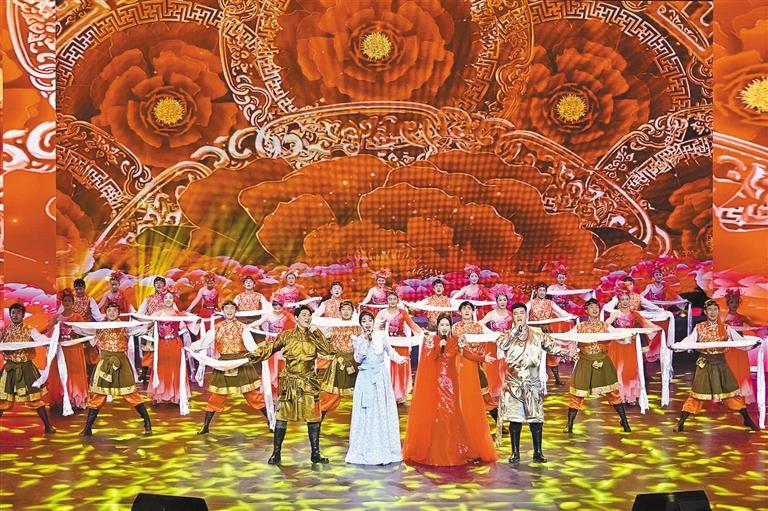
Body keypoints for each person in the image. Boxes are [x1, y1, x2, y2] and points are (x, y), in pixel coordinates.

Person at [402, 313, 498, 466]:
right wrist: (438, 347)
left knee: (452, 412)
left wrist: (483, 358)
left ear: (450, 326)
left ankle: (454, 448)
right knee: (439, 413)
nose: (444, 327)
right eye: (442, 325)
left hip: (452, 383)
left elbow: (468, 354)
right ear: (438, 326)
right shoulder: (432, 340)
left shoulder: (456, 340)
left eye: (447, 325)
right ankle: (437, 448)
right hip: (437, 382)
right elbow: (430, 359)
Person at [249, 306, 335, 465]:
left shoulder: (314, 335)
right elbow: (271, 347)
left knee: (313, 416)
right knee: (282, 417)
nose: (307, 318)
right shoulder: (287, 335)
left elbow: (328, 351)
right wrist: (253, 355)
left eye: (309, 315)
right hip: (290, 380)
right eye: (304, 315)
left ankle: (315, 453)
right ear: (296, 318)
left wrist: (317, 333)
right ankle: (276, 453)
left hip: (309, 380)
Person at [496, 303, 570, 464]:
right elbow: (502, 345)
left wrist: (567, 352)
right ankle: (515, 453)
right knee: (515, 420)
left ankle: (538, 452)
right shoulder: (506, 335)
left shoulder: (537, 334)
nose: (519, 316)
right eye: (516, 313)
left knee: (536, 419)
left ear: (526, 315)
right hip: (514, 384)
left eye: (522, 313)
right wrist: (514, 332)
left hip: (532, 383)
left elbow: (552, 347)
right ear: (512, 317)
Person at [673, 299, 759, 432]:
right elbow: (689, 341)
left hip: (721, 363)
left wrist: (752, 345)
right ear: (705, 312)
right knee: (697, 395)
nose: (712, 312)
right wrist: (677, 347)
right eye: (709, 310)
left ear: (718, 311)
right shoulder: (699, 327)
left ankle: (747, 419)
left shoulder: (726, 328)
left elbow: (740, 342)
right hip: (705, 364)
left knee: (731, 393)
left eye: (715, 309)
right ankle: (681, 422)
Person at [195, 301, 270, 434]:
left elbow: (251, 345)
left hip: (241, 363)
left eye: (232, 308)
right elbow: (203, 343)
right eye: (226, 308)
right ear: (222, 311)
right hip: (224, 364)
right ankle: (205, 426)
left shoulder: (242, 327)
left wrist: (259, 352)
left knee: (253, 396)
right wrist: (191, 347)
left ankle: (271, 420)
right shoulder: (217, 328)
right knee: (216, 396)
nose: (229, 311)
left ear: (236, 311)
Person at [79, 302, 152, 436]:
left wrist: (150, 324)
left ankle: (147, 422)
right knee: (98, 396)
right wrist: (69, 326)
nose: (112, 313)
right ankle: (87, 428)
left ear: (118, 313)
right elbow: (84, 330)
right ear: (105, 313)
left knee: (131, 394)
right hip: (104, 364)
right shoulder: (100, 327)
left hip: (121, 363)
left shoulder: (125, 326)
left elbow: (140, 330)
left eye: (114, 311)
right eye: (109, 311)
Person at [345, 311, 406, 465]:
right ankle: (365, 447)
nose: (367, 323)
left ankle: (384, 448)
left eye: (369, 320)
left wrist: (399, 359)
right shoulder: (358, 339)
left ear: (373, 322)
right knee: (367, 410)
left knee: (381, 410)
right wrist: (365, 341)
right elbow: (358, 358)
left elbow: (389, 350)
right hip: (365, 378)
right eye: (364, 321)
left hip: (380, 377)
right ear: (361, 324)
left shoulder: (381, 336)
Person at [563, 299, 632, 434]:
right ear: (586, 310)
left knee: (613, 393)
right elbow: (566, 337)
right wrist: (549, 336)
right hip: (585, 362)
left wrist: (629, 336)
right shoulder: (580, 327)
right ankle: (569, 425)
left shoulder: (605, 326)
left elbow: (619, 337)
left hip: (602, 362)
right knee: (577, 393)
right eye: (591, 307)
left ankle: (624, 421)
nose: (595, 309)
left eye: (596, 307)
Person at [0, 303, 56, 433]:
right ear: (10, 315)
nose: (15, 315)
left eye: (18, 313)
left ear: (23, 315)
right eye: (13, 313)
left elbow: (41, 339)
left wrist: (52, 342)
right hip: (9, 368)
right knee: (2, 400)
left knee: (34, 399)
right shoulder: (5, 330)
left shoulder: (30, 329)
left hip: (26, 368)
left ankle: (48, 426)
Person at [606, 282, 658, 405]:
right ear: (619, 302)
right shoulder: (615, 313)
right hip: (617, 345)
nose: (625, 302)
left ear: (630, 301)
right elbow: (605, 325)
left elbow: (646, 324)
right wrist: (615, 332)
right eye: (622, 299)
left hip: (631, 345)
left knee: (630, 370)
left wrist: (657, 329)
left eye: (627, 299)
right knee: (618, 370)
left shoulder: (634, 314)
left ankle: (630, 397)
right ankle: (619, 396)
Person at [374, 291, 423, 404]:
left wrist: (422, 334)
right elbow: (375, 328)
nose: (392, 301)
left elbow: (412, 325)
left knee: (400, 369)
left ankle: (399, 394)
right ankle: (388, 393)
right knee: (388, 368)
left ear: (397, 300)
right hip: (388, 345)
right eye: (390, 299)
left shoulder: (402, 313)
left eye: (394, 299)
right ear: (387, 300)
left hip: (401, 344)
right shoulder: (382, 313)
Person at [45, 289, 88, 412]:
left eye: (69, 301)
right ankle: (60, 399)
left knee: (74, 373)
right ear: (62, 303)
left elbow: (85, 331)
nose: (67, 302)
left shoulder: (77, 317)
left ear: (73, 303)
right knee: (59, 372)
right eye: (65, 301)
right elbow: (47, 329)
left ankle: (75, 399)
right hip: (60, 349)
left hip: (74, 349)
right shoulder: (57, 317)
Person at [453, 301, 496, 419]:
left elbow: (493, 336)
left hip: (477, 364)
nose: (467, 311)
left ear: (473, 311)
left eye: (469, 308)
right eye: (464, 308)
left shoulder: (479, 327)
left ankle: (498, 424)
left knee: (484, 395)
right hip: (461, 365)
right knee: (462, 395)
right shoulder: (455, 327)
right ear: (459, 312)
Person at [148, 290, 192, 408]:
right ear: (162, 300)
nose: (168, 300)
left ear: (173, 300)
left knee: (176, 368)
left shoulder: (178, 314)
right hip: (162, 344)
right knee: (161, 367)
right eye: (166, 298)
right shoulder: (158, 314)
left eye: (170, 298)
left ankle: (177, 395)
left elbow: (185, 326)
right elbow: (147, 322)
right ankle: (158, 395)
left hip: (175, 343)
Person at [319, 300, 360, 420]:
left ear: (352, 312)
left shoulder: (357, 326)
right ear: (340, 311)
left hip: (354, 362)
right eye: (343, 309)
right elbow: (321, 334)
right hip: (339, 362)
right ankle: (318, 419)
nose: (346, 312)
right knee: (331, 395)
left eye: (349, 309)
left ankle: (364, 422)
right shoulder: (333, 325)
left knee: (361, 393)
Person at [526, 282, 573, 386]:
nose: (542, 292)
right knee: (534, 354)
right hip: (534, 331)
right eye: (540, 290)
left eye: (544, 290)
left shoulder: (550, 303)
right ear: (536, 291)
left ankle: (557, 379)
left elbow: (561, 312)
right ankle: (532, 380)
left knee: (551, 354)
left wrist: (570, 316)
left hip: (547, 330)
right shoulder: (531, 303)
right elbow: (524, 312)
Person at [722, 289, 755, 404]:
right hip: (729, 348)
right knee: (730, 369)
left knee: (742, 370)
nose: (734, 304)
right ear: (728, 304)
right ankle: (729, 395)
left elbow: (754, 326)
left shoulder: (742, 317)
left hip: (740, 348)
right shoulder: (724, 319)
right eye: (732, 302)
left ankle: (742, 394)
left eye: (736, 302)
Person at [137, 276, 169, 383]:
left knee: (164, 351)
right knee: (148, 351)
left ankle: (162, 373)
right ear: (154, 285)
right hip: (151, 327)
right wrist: (145, 321)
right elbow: (140, 312)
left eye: (161, 283)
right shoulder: (149, 298)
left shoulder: (168, 298)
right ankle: (144, 373)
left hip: (165, 328)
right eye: (157, 283)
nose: (159, 285)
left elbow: (174, 312)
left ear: (164, 285)